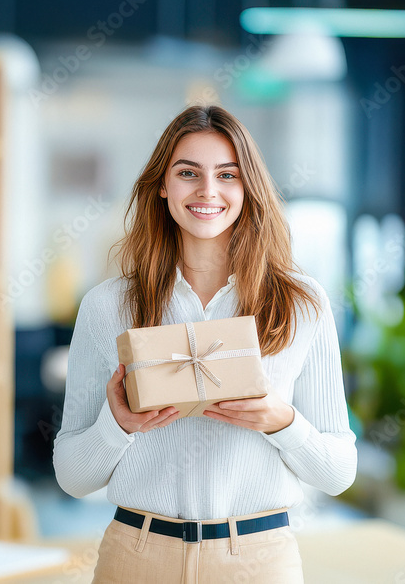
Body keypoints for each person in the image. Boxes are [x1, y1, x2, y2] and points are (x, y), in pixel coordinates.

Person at [52, 104, 357, 583]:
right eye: (188, 173)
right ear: (162, 186)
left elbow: (339, 473)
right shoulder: (106, 307)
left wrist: (281, 422)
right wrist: (118, 424)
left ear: (248, 187)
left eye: (227, 175)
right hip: (137, 557)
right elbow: (72, 476)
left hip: (257, 561)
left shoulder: (303, 303)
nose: (207, 191)